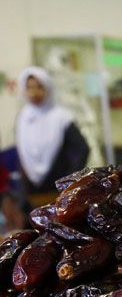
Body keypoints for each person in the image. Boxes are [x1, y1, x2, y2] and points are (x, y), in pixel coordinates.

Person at [16, 67, 89, 205]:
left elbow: (83, 149)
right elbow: (23, 154)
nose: (34, 92)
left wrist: (69, 181)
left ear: (48, 88)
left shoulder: (62, 118)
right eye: (29, 87)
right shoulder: (24, 118)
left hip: (58, 192)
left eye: (39, 87)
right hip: (30, 193)